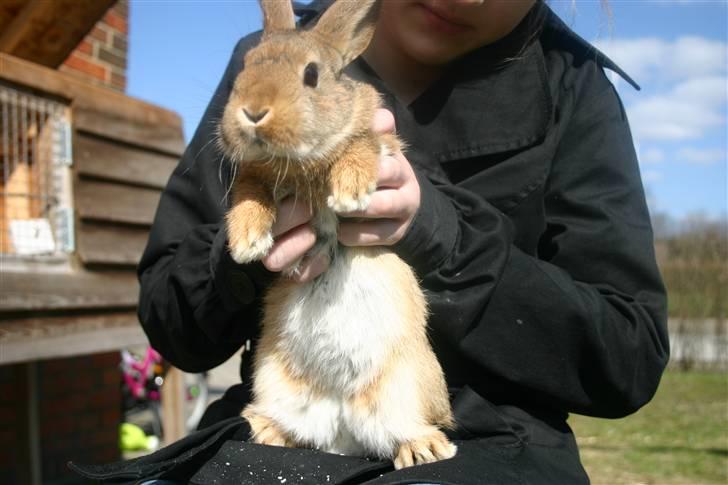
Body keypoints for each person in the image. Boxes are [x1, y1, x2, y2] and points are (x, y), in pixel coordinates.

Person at [129, 0, 669, 483]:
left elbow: (627, 356)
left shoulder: (570, 83)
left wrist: (445, 238)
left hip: (484, 445)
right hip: (288, 421)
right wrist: (243, 258)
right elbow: (169, 316)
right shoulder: (268, 58)